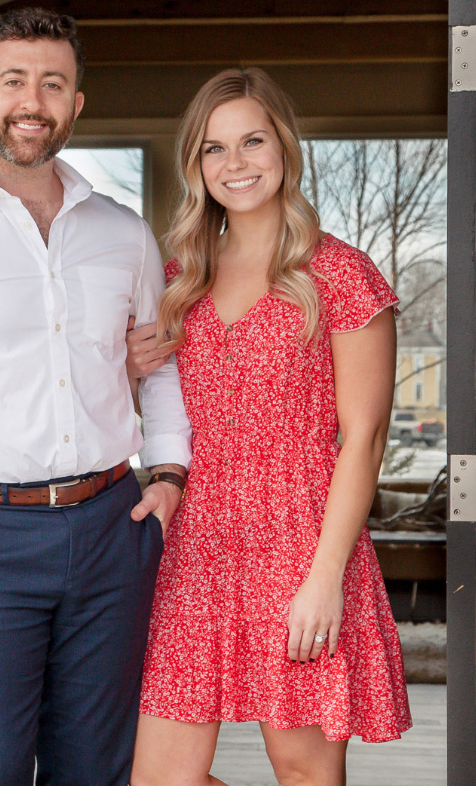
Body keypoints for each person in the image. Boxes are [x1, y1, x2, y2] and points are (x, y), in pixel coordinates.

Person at [0, 7, 192, 786]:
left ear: (76, 104)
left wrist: (168, 479)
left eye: (52, 83)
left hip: (110, 527)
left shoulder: (124, 234)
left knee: (95, 773)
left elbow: (156, 365)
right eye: (14, 80)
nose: (33, 100)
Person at [126, 68, 412, 786]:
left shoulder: (340, 273)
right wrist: (127, 363)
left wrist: (323, 580)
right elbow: (143, 401)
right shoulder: (178, 276)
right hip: (197, 546)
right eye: (213, 149)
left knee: (304, 773)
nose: (235, 163)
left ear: (283, 146)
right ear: (195, 164)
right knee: (158, 777)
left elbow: (365, 438)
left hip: (303, 539)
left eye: (251, 140)